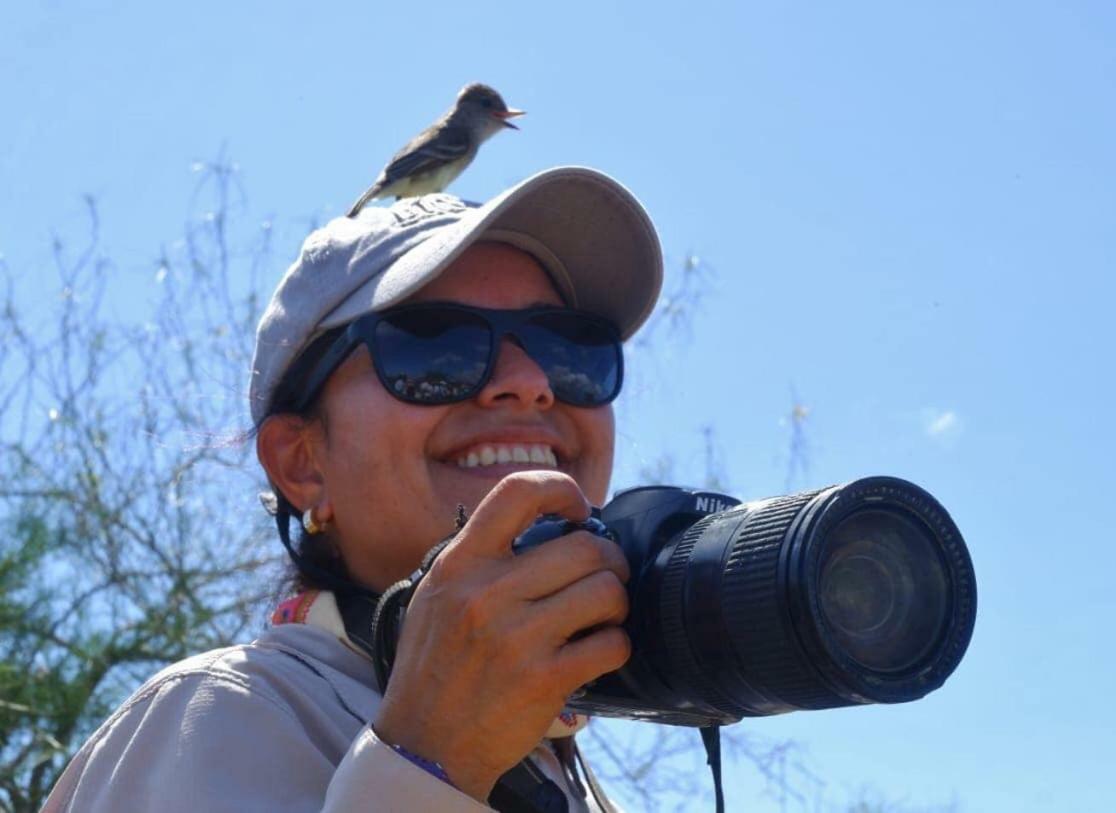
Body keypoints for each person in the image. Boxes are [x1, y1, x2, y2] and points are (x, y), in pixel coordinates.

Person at [42, 166, 664, 812]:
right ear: (303, 463)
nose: (530, 380)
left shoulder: (574, 781)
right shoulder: (213, 717)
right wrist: (433, 764)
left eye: (571, 349)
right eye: (434, 348)